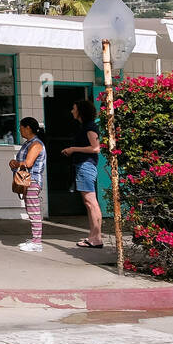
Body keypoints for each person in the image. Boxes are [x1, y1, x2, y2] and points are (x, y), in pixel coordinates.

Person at [63, 98, 103, 248]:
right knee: (88, 203)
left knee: (91, 202)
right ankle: (93, 236)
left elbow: (95, 148)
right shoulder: (85, 126)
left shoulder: (89, 127)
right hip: (83, 165)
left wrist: (73, 149)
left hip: (86, 166)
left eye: (74, 108)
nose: (72, 111)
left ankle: (96, 238)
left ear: (80, 111)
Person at [12, 117, 47, 252]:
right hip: (28, 181)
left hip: (32, 182)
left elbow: (28, 163)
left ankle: (37, 242)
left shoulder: (36, 144)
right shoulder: (29, 143)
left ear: (28, 128)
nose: (19, 130)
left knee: (34, 212)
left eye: (21, 128)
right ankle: (34, 239)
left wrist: (16, 163)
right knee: (31, 211)